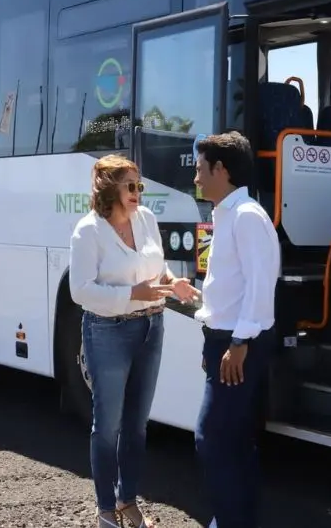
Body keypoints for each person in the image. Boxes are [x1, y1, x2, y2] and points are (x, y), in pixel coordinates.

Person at [68, 154, 197, 528]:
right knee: (107, 425)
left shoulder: (147, 220)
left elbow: (158, 267)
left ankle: (128, 500)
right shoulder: (88, 231)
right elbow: (80, 291)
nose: (138, 192)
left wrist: (173, 282)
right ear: (109, 188)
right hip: (108, 331)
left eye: (139, 185)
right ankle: (106, 508)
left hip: (152, 327)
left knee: (137, 425)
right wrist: (132, 294)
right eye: (130, 185)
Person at [190, 131, 280, 528]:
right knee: (235, 440)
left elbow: (262, 285)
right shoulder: (225, 214)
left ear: (220, 170)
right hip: (224, 341)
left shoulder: (245, 216)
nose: (195, 178)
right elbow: (231, 287)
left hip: (239, 344)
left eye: (199, 169)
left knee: (211, 438)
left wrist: (239, 342)